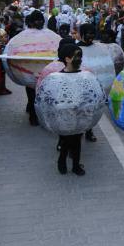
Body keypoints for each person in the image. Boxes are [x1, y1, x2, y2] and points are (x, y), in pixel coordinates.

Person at [54, 43, 87, 176]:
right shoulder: (58, 77)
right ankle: (61, 161)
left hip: (79, 113)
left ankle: (75, 165)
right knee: (67, 140)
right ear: (67, 59)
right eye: (76, 56)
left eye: (80, 56)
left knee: (78, 139)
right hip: (65, 114)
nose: (79, 59)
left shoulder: (84, 75)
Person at [23, 10, 46, 127]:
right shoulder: (25, 34)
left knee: (39, 92)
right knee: (31, 91)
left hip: (42, 67)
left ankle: (34, 110)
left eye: (41, 20)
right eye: (37, 20)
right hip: (30, 67)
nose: (40, 22)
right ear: (32, 22)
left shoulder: (46, 33)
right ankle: (33, 115)